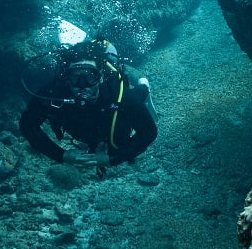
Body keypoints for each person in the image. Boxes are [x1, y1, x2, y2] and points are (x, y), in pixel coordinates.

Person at [19, 37, 158, 174]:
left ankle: (144, 84)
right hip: (85, 127)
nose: (82, 85)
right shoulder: (54, 92)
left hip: (112, 113)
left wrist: (112, 159)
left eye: (90, 76)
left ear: (101, 77)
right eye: (75, 77)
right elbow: (28, 125)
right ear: (66, 79)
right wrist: (61, 155)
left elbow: (149, 132)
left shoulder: (117, 94)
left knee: (138, 97)